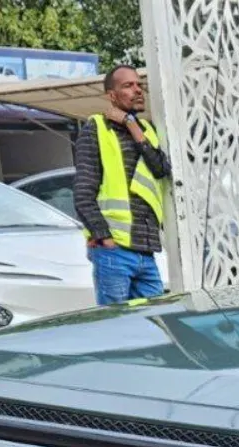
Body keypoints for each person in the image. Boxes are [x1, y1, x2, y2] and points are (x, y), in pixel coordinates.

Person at [73, 65, 171, 305]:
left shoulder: (145, 129)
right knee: (117, 327)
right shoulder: (96, 128)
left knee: (155, 323)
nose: (137, 90)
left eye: (139, 85)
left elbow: (160, 169)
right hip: (114, 251)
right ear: (112, 96)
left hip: (145, 251)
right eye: (128, 86)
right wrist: (104, 238)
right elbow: (83, 193)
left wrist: (131, 124)